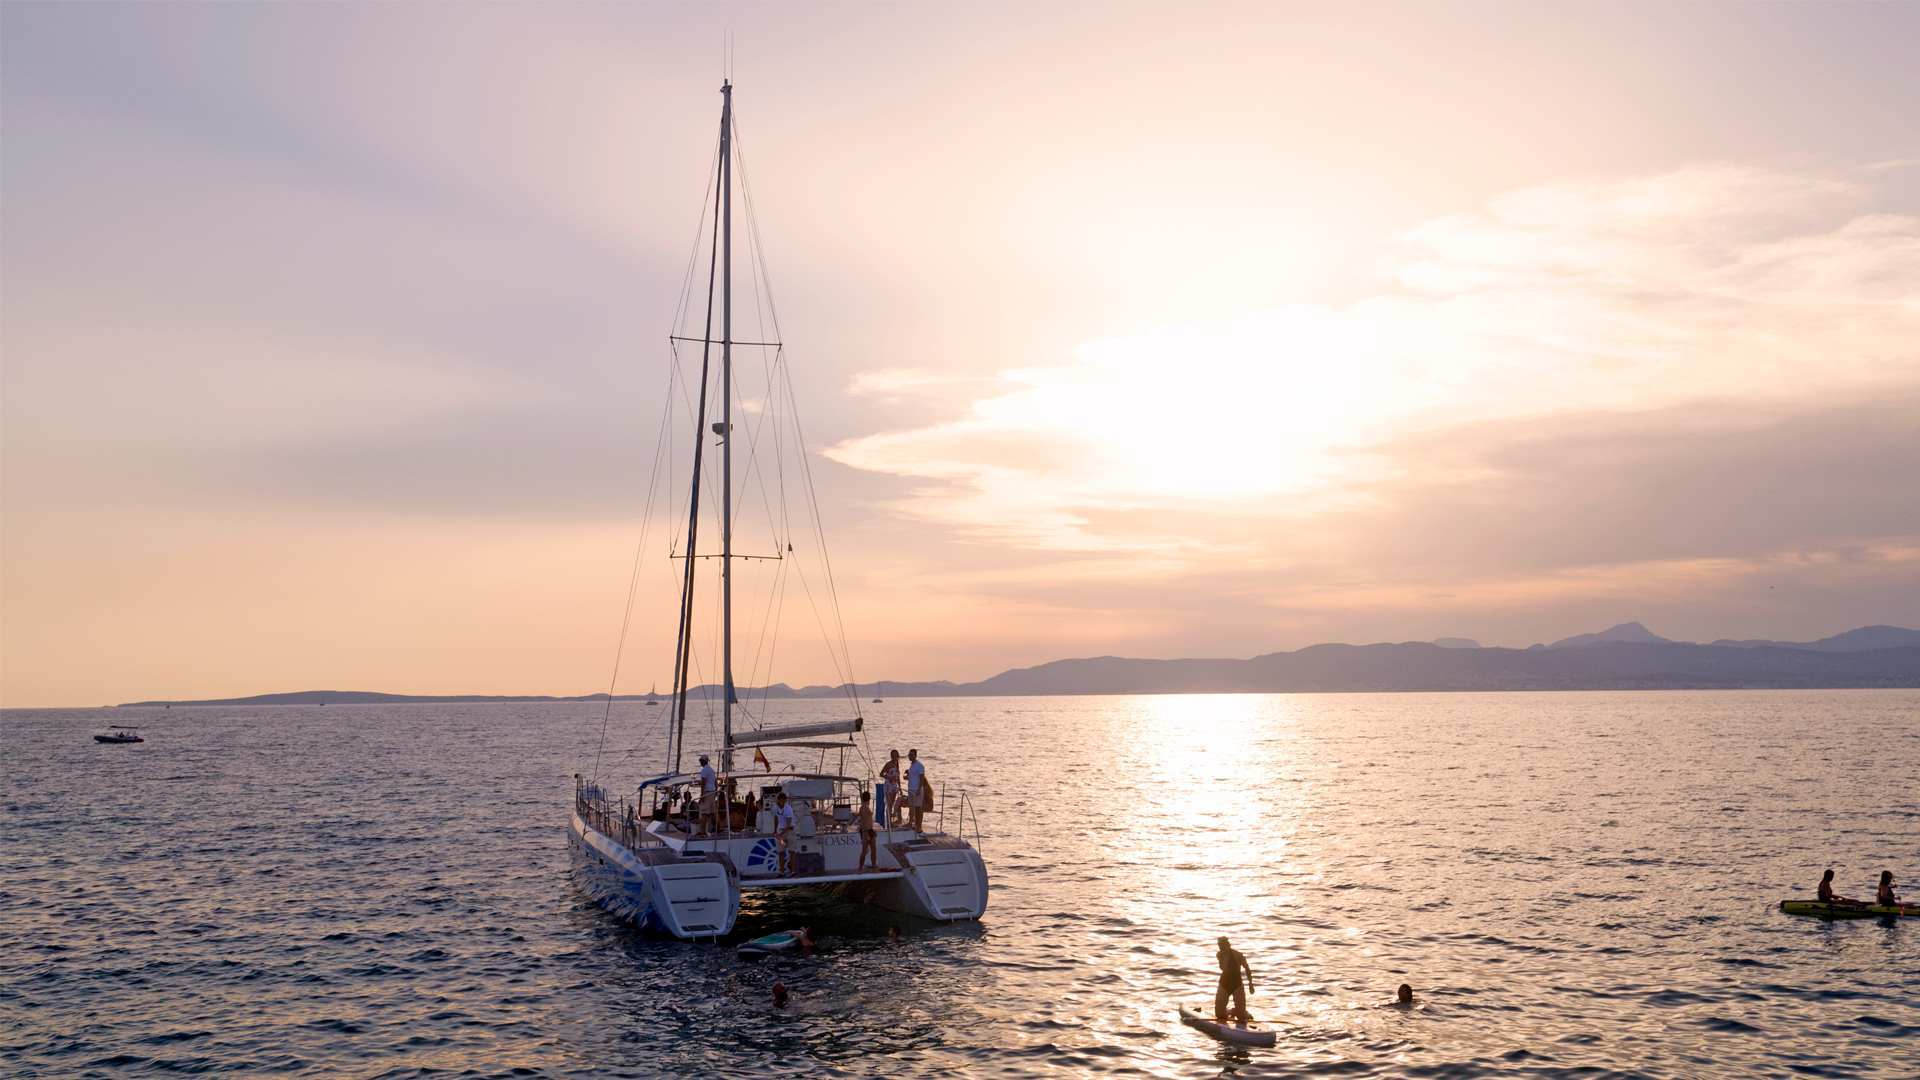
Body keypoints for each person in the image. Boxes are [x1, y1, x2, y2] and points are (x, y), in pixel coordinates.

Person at [1214, 936, 1254, 1024]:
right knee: (1219, 1015)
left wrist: (1250, 984)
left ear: (1228, 945)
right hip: (1224, 984)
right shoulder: (1219, 955)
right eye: (1219, 946)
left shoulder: (1238, 955)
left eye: (1222, 945)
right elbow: (1223, 968)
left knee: (1241, 1018)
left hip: (1237, 984)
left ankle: (1241, 1012)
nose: (1221, 948)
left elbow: (1247, 968)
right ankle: (1229, 1011)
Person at [773, 792, 796, 875]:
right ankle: (781, 871)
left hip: (789, 832)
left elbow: (788, 824)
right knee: (781, 852)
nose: (781, 802)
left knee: (791, 851)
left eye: (783, 800)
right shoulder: (775, 808)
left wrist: (780, 834)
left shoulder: (788, 809)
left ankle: (793, 871)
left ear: (785, 800)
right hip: (780, 832)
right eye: (780, 800)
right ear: (778, 800)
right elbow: (776, 818)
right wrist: (775, 830)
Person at [906, 749, 927, 833]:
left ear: (915, 755)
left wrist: (918, 789)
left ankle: (919, 826)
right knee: (911, 808)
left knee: (918, 809)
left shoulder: (919, 765)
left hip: (917, 790)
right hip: (910, 789)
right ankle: (911, 823)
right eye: (909, 755)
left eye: (912, 755)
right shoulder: (911, 765)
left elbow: (921, 779)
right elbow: (913, 777)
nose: (910, 756)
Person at [856, 790, 878, 871]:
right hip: (866, 831)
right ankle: (860, 868)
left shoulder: (865, 807)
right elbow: (864, 822)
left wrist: (872, 830)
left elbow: (867, 821)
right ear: (869, 799)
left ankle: (874, 866)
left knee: (873, 849)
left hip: (870, 830)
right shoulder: (864, 808)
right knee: (865, 851)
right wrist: (866, 835)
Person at [880, 750, 902, 827]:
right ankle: (889, 822)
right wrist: (888, 777)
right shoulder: (888, 764)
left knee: (893, 803)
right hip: (889, 785)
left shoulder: (897, 764)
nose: (894, 757)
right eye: (892, 755)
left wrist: (900, 787)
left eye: (896, 755)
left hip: (895, 786)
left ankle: (893, 820)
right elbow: (881, 774)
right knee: (889, 804)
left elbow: (898, 777)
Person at [696, 755, 717, 836]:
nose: (700, 762)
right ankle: (718, 828)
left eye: (700, 761)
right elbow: (715, 782)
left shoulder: (704, 770)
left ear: (703, 761)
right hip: (712, 792)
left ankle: (702, 832)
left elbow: (703, 783)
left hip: (707, 793)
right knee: (712, 813)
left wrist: (702, 796)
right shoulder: (711, 770)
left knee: (704, 813)